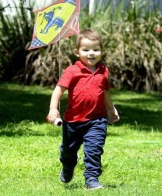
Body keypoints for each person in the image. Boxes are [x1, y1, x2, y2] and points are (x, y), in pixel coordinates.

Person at [46, 29, 119, 190]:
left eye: (95, 49)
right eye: (86, 50)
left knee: (94, 150)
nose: (91, 53)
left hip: (96, 120)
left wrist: (111, 109)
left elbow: (105, 92)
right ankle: (68, 165)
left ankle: (92, 178)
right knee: (68, 151)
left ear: (102, 50)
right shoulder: (73, 71)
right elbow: (58, 90)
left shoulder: (103, 70)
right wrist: (53, 109)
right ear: (77, 52)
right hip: (72, 121)